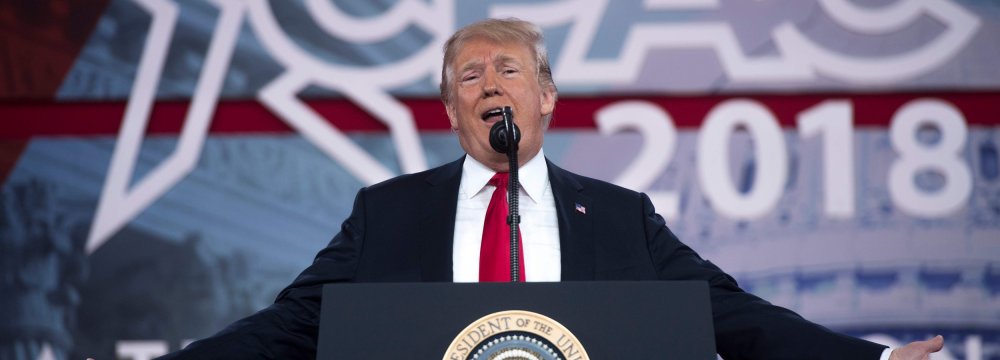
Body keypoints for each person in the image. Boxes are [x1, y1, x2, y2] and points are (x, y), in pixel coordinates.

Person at [162, 18, 944, 359]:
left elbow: (728, 316)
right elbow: (290, 329)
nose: (490, 84)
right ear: (450, 108)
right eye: (469, 74)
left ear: (547, 98)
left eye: (510, 69)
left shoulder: (618, 218)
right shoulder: (388, 213)